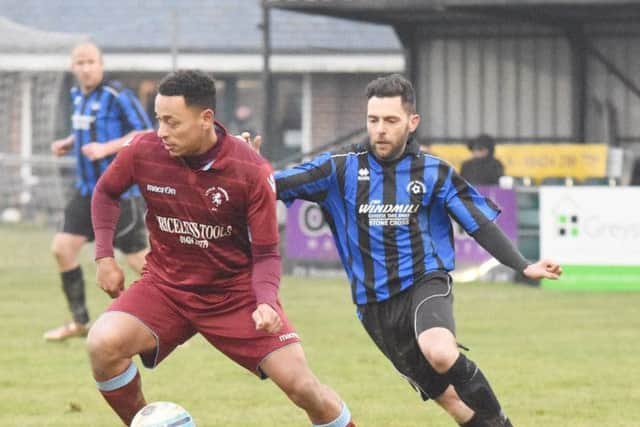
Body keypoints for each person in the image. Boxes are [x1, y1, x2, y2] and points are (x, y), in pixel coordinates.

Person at [251, 74, 562, 426]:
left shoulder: (434, 172)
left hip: (424, 283)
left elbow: (479, 224)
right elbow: (269, 186)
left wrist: (523, 265)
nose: (380, 129)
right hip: (373, 307)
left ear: (412, 122)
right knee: (452, 401)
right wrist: (253, 167)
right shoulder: (339, 169)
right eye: (373, 120)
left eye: (390, 120)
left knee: (440, 352)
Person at [87, 70, 355, 427]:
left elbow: (266, 253)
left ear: (206, 118)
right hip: (167, 288)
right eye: (158, 120)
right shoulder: (143, 151)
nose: (162, 132)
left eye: (172, 122)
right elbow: (105, 192)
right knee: (102, 344)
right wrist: (104, 256)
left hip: (235, 295)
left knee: (304, 389)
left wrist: (265, 301)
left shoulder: (250, 169)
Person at [45, 42, 152, 341]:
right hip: (85, 192)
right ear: (72, 67)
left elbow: (145, 133)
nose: (86, 67)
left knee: (138, 260)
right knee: (62, 249)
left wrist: (107, 148)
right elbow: (88, 129)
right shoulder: (77, 95)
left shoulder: (118, 96)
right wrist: (69, 142)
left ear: (101, 65)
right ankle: (80, 323)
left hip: (117, 193)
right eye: (80, 62)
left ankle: (175, 316)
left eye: (91, 61)